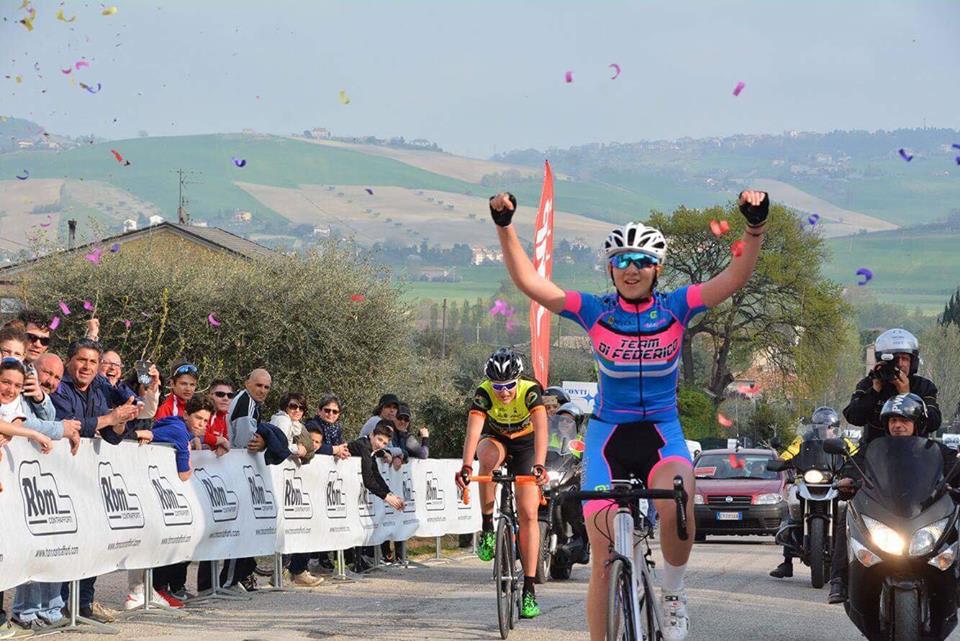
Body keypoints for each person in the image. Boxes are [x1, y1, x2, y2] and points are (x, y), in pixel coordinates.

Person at [487, 188, 770, 640]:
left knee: (677, 493)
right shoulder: (595, 311)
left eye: (640, 261)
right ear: (610, 269)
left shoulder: (675, 307)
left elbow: (734, 278)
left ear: (656, 268)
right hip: (607, 436)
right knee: (602, 560)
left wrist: (754, 228)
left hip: (660, 431)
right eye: (621, 261)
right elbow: (531, 283)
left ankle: (674, 595)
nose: (631, 270)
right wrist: (505, 228)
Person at [828, 393, 957, 604]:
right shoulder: (873, 449)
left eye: (904, 420)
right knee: (849, 513)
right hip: (885, 514)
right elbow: (854, 466)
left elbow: (954, 467)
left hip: (926, 515)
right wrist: (847, 479)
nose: (898, 425)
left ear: (918, 423)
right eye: (893, 420)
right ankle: (839, 579)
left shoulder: (935, 450)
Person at [455, 348, 548, 619]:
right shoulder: (483, 393)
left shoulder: (530, 391)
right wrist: (465, 467)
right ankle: (487, 527)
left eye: (508, 386)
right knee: (486, 456)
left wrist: (539, 465)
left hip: (527, 444)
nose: (504, 392)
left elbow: (542, 430)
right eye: (498, 386)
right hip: (497, 439)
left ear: (517, 381)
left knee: (529, 513)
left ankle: (529, 589)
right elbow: (473, 433)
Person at [52, 339, 141, 623]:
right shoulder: (59, 386)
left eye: (93, 362)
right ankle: (61, 606)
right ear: (69, 361)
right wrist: (111, 416)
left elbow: (113, 436)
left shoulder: (100, 388)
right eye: (82, 360)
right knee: (66, 543)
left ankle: (85, 604)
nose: (87, 367)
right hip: (61, 477)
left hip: (91, 479)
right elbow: (71, 423)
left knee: (93, 541)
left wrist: (121, 419)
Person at [144, 397, 214, 608]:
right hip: (157, 492)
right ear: (186, 415)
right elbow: (184, 474)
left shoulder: (181, 430)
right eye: (198, 418)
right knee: (167, 540)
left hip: (163, 493)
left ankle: (162, 589)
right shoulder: (179, 431)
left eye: (205, 420)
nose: (202, 424)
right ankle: (156, 589)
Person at [769, 407, 855, 579]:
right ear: (815, 427)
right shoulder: (803, 440)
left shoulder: (843, 441)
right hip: (808, 480)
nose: (826, 430)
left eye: (829, 427)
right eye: (822, 427)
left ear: (835, 427)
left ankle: (851, 563)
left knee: (849, 516)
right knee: (792, 513)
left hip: (834, 481)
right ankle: (787, 563)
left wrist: (856, 463)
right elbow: (790, 452)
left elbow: (855, 454)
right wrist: (781, 461)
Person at [843, 328, 940, 446]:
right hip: (875, 455)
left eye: (905, 359)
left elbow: (934, 423)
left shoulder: (924, 386)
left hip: (914, 454)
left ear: (913, 362)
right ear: (881, 361)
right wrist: (874, 391)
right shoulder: (868, 384)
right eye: (895, 359)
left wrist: (907, 395)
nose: (900, 364)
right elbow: (854, 417)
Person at [271, 392, 323, 587]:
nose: (297, 411)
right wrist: (297, 450)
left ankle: (294, 570)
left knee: (300, 523)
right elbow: (280, 447)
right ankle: (282, 571)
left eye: (301, 407)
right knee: (284, 525)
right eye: (293, 406)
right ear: (285, 406)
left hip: (293, 481)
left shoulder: (298, 426)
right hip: (279, 479)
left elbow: (310, 448)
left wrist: (303, 450)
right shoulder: (281, 421)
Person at [305, 394, 350, 459]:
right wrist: (334, 450)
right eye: (327, 410)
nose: (330, 414)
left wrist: (344, 451)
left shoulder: (337, 429)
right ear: (319, 411)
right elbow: (311, 446)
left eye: (335, 412)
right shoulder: (312, 426)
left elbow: (341, 446)